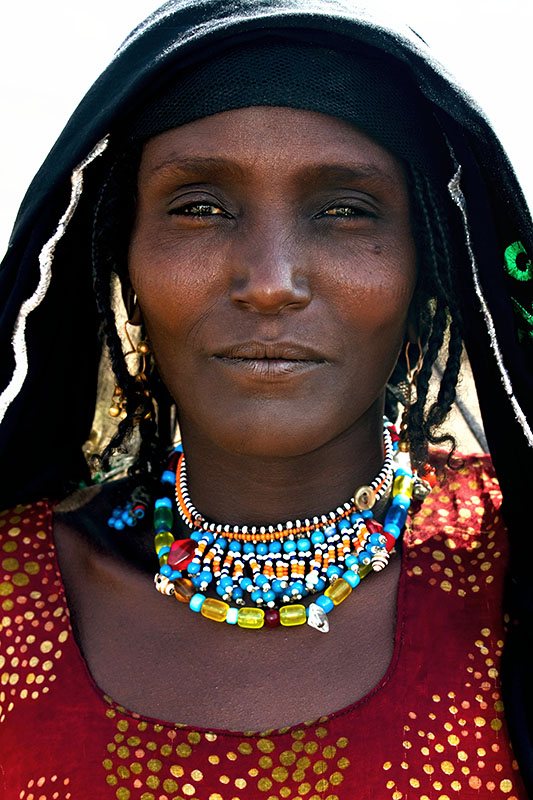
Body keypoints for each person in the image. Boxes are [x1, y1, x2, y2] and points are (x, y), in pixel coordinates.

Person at [0, 1, 531, 797]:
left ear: (428, 267)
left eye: (345, 211)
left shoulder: (511, 578)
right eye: (200, 207)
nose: (271, 283)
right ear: (123, 261)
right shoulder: (9, 595)